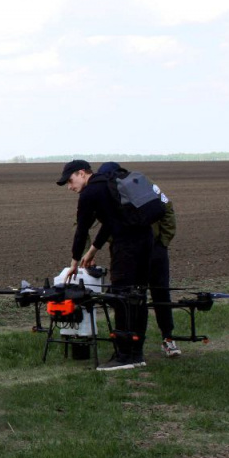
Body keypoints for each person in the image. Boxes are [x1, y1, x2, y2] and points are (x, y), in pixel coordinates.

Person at [57, 159, 153, 371]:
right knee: (138, 295)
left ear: (82, 173)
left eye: (70, 181)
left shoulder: (90, 193)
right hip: (146, 240)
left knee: (121, 297)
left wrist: (74, 262)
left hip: (126, 247)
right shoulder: (109, 184)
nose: (70, 187)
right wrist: (93, 250)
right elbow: (109, 223)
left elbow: (82, 230)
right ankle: (137, 352)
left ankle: (124, 356)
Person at [98, 162, 181, 358]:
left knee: (161, 293)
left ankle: (168, 338)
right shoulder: (106, 193)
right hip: (128, 253)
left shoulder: (142, 184)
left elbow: (166, 207)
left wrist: (162, 242)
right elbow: (87, 222)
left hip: (154, 249)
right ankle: (132, 343)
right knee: (133, 296)